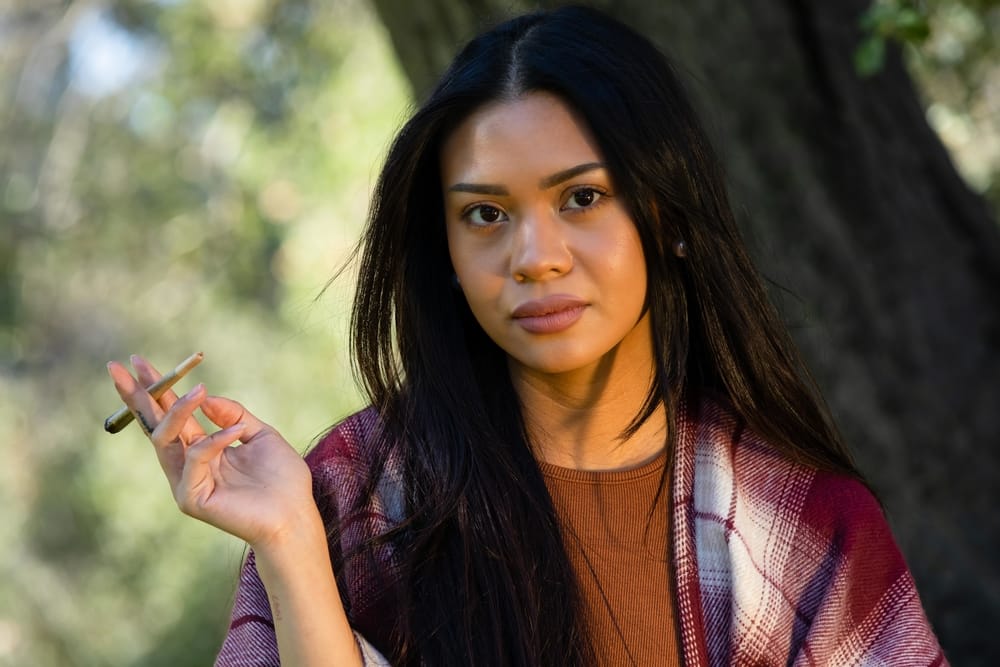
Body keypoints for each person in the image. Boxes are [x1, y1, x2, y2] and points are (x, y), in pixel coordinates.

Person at [107, 6, 948, 666]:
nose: (535, 258)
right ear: (446, 251)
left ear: (669, 217)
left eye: (581, 198)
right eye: (485, 214)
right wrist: (290, 542)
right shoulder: (353, 496)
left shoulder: (804, 520)